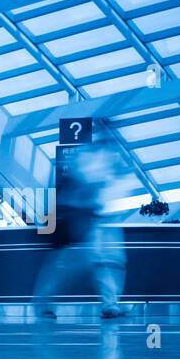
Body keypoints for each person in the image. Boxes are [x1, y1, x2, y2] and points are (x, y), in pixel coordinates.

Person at [33, 129, 132, 320]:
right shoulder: (88, 159)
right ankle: (43, 300)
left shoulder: (104, 162)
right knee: (75, 264)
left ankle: (109, 304)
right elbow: (82, 187)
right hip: (86, 219)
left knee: (107, 262)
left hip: (97, 219)